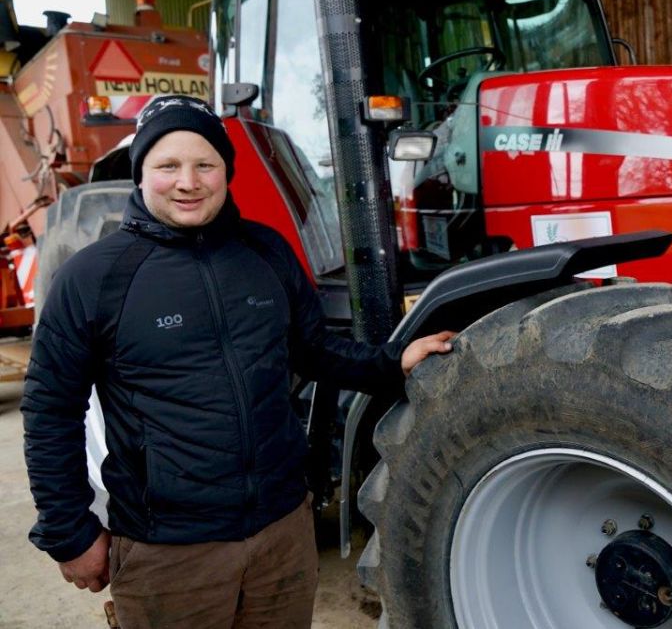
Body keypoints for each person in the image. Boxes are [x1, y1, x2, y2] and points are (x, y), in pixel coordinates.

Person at [22, 95, 454, 627]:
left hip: (282, 535)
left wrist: (393, 362)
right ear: (141, 174)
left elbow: (313, 349)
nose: (188, 181)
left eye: (205, 164)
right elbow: (50, 413)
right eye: (168, 166)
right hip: (172, 553)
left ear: (226, 170)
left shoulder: (266, 251)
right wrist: (69, 533)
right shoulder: (93, 279)